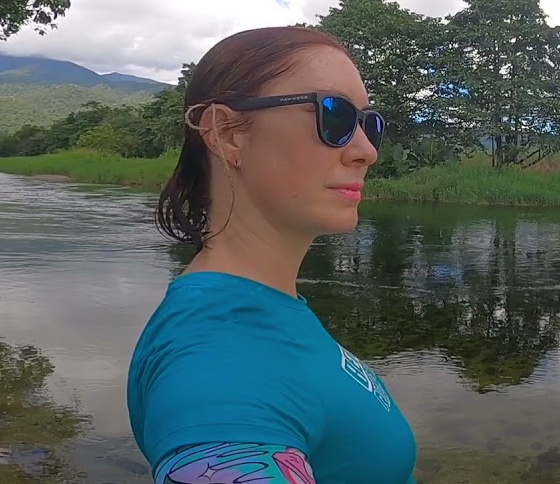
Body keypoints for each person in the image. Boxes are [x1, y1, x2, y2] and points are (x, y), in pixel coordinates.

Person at [126, 26, 419, 484]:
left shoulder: (261, 306)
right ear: (227, 134)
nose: (366, 152)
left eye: (369, 124)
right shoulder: (217, 369)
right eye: (334, 116)